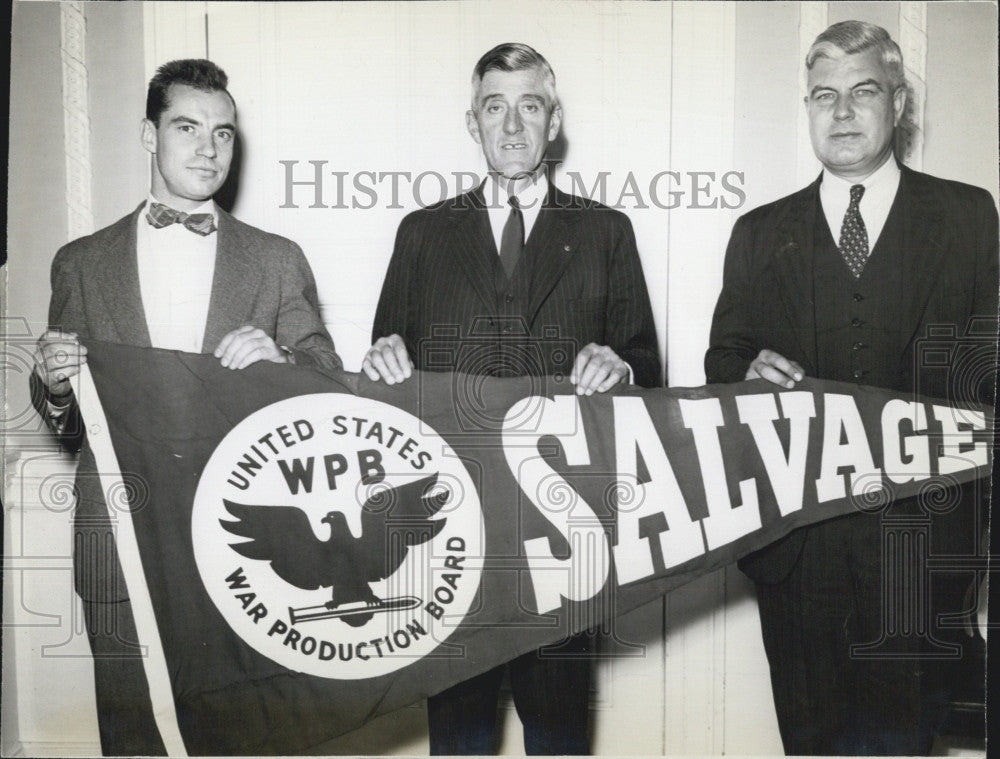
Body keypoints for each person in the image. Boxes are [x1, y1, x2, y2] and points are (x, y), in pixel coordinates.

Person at [30, 59, 341, 756]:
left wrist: (281, 365)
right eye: (188, 128)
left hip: (242, 546)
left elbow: (328, 381)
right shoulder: (80, 262)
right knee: (132, 738)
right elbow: (71, 415)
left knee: (247, 739)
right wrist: (54, 383)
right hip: (119, 542)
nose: (209, 149)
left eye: (224, 134)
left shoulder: (276, 260)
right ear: (149, 135)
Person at [705, 20, 997, 756]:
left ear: (898, 104)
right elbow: (724, 356)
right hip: (798, 553)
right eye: (822, 95)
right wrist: (743, 374)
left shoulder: (968, 216)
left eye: (862, 91)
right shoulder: (758, 232)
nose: (840, 112)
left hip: (922, 548)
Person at [363, 43, 660, 755]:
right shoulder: (422, 233)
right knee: (457, 739)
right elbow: (381, 374)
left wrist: (619, 367)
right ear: (473, 124)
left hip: (564, 538)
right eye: (496, 107)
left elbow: (648, 369)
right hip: (449, 541)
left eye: (531, 105)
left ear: (554, 122)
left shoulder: (605, 231)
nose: (513, 124)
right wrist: (380, 360)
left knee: (558, 738)